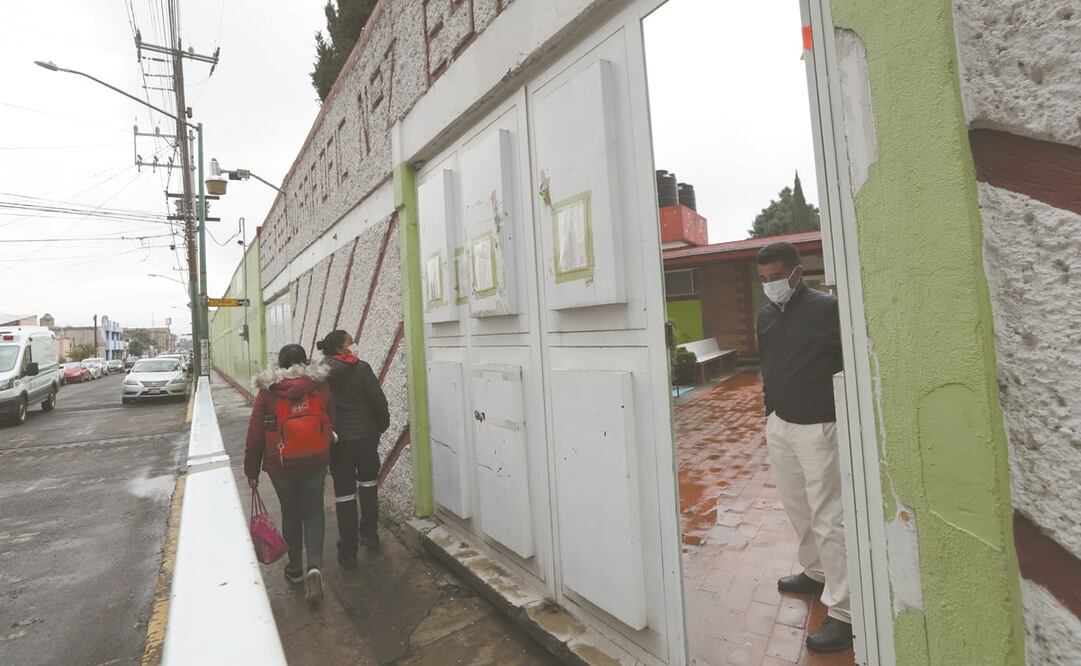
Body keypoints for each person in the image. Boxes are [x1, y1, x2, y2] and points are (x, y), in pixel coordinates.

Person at [755, 241, 851, 653]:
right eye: (762, 280)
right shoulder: (765, 316)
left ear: (797, 272)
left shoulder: (827, 310)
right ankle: (815, 573)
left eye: (775, 277)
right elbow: (768, 365)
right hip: (782, 425)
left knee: (830, 517)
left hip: (819, 427)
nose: (770, 285)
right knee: (798, 506)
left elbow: (850, 361)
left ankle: (846, 613)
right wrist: (769, 412)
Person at [244, 344, 334, 606]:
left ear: (280, 363)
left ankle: (295, 567)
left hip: (279, 464)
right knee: (314, 511)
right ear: (305, 361)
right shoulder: (319, 385)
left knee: (291, 513)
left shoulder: (268, 392)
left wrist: (251, 470)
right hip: (315, 460)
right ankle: (314, 566)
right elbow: (332, 420)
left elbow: (255, 434)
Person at [317, 330, 390, 569]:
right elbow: (378, 400)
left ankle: (348, 551)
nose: (354, 344)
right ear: (340, 349)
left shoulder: (320, 374)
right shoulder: (362, 368)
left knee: (344, 494)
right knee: (368, 484)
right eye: (351, 341)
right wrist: (380, 426)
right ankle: (369, 534)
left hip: (339, 441)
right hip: (366, 437)